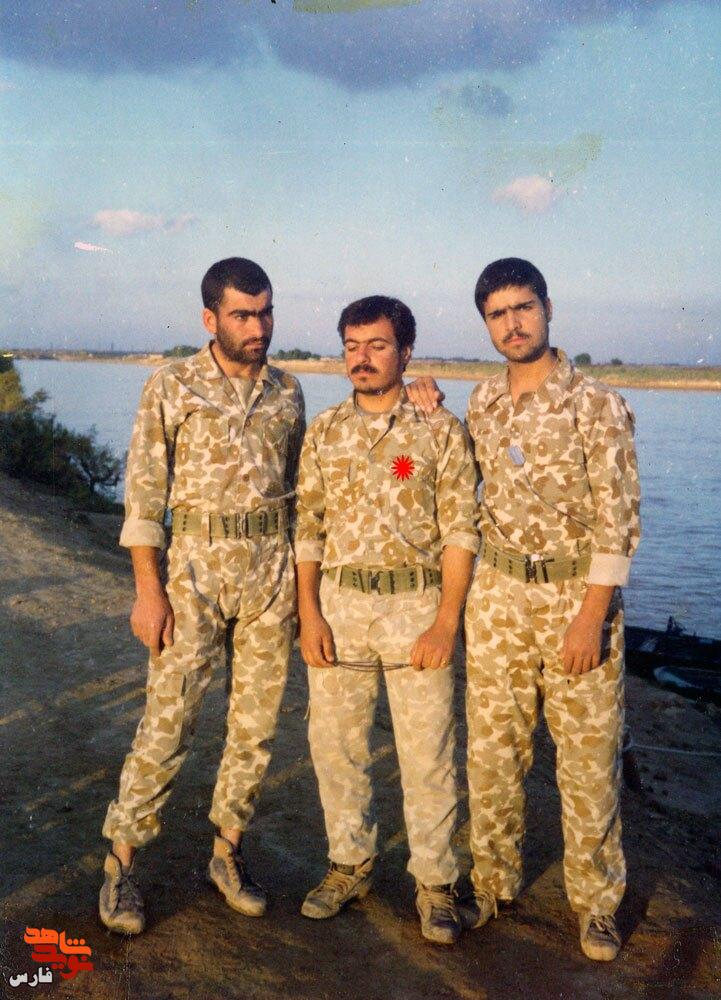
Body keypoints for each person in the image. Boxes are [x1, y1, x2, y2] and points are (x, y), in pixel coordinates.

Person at [99, 257, 305, 934]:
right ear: (210, 319)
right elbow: (143, 497)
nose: (258, 327)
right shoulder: (172, 386)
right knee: (169, 719)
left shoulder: (287, 391)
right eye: (243, 314)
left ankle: (227, 854)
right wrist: (148, 591)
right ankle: (121, 864)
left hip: (270, 575)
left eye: (265, 312)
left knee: (255, 727)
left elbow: (299, 492)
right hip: (192, 574)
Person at [460, 258, 641, 962]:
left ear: (547, 309)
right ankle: (492, 884)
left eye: (523, 307)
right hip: (498, 596)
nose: (513, 323)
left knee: (588, 762)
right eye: (498, 313)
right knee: (493, 753)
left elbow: (619, 521)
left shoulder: (596, 404)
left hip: (576, 598)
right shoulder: (481, 403)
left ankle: (596, 905)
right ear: (486, 324)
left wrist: (591, 616)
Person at [294, 295, 479, 945]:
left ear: (405, 352)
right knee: (336, 748)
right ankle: (349, 865)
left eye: (376, 345)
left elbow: (461, 532)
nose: (362, 358)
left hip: (416, 609)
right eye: (352, 346)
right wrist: (308, 612)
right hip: (340, 607)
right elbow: (307, 528)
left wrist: (446, 622)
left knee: (427, 754)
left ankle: (435, 883)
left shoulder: (438, 429)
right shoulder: (325, 431)